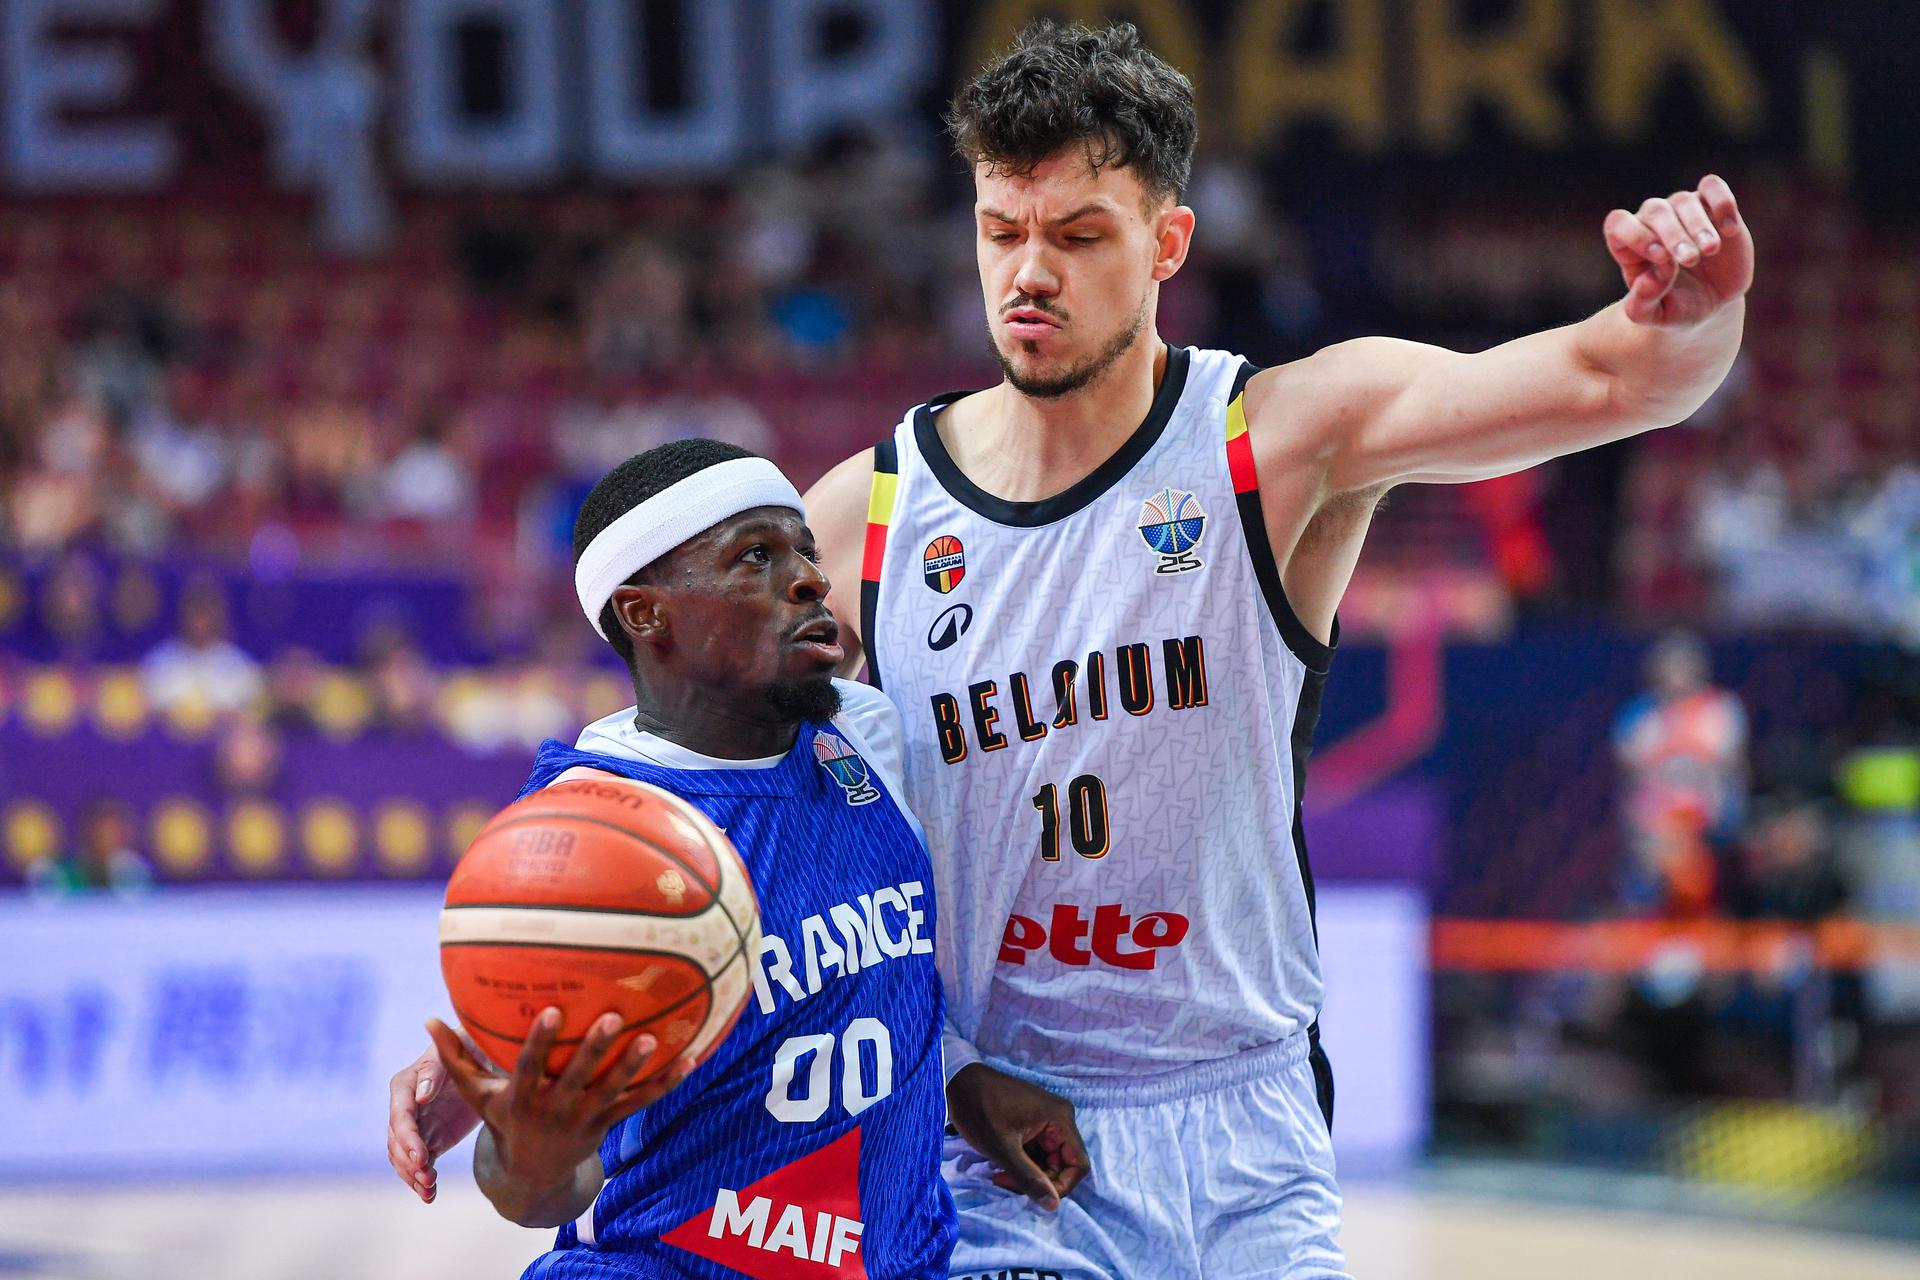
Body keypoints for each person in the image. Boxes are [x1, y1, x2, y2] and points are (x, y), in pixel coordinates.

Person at [396, 20, 1754, 1278]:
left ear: (1167, 245)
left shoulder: (1274, 442)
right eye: (1002, 229)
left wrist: (1694, 316)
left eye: (1078, 234)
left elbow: (1612, 376)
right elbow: (684, 784)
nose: (1028, 273)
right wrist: (542, 1002)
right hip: (996, 1145)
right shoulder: (864, 515)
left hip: (1249, 1125)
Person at [400, 440, 955, 1277]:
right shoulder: (579, 835)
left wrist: (974, 1078)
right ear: (645, 613)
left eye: (804, 548)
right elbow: (536, 1188)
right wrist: (532, 1152)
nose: (810, 578)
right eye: (756, 558)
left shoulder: (865, 736)